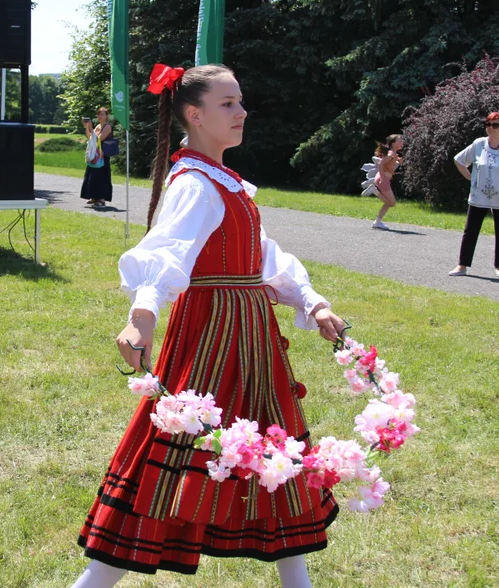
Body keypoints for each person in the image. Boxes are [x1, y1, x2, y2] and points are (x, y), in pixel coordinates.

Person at [71, 63, 346, 588]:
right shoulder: (195, 183)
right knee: (177, 446)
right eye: (228, 104)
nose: (242, 112)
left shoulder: (226, 182)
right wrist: (141, 319)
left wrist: (312, 302)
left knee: (276, 451)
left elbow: (263, 256)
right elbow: (165, 254)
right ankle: (93, 582)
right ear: (194, 114)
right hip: (214, 336)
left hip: (251, 337)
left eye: (240, 101)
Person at [449, 112, 499, 278]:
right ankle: (462, 265)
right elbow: (459, 160)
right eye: (488, 124)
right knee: (470, 231)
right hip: (479, 197)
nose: (491, 128)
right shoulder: (479, 144)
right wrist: (469, 177)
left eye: (495, 125)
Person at [81, 107, 114, 208]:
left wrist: (91, 129)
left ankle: (101, 199)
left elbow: (99, 139)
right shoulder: (98, 126)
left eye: (102, 114)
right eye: (99, 114)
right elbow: (90, 138)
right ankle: (93, 197)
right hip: (95, 155)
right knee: (92, 175)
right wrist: (87, 127)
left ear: (106, 116)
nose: (100, 116)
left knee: (101, 177)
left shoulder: (107, 127)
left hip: (103, 155)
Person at [371, 135, 403, 230]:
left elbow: (392, 162)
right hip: (383, 179)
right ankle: (374, 191)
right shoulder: (391, 153)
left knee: (389, 203)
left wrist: (399, 160)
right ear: (394, 144)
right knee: (392, 203)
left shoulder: (393, 153)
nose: (402, 142)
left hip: (383, 178)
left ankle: (377, 222)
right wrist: (382, 177)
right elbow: (381, 163)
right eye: (400, 140)